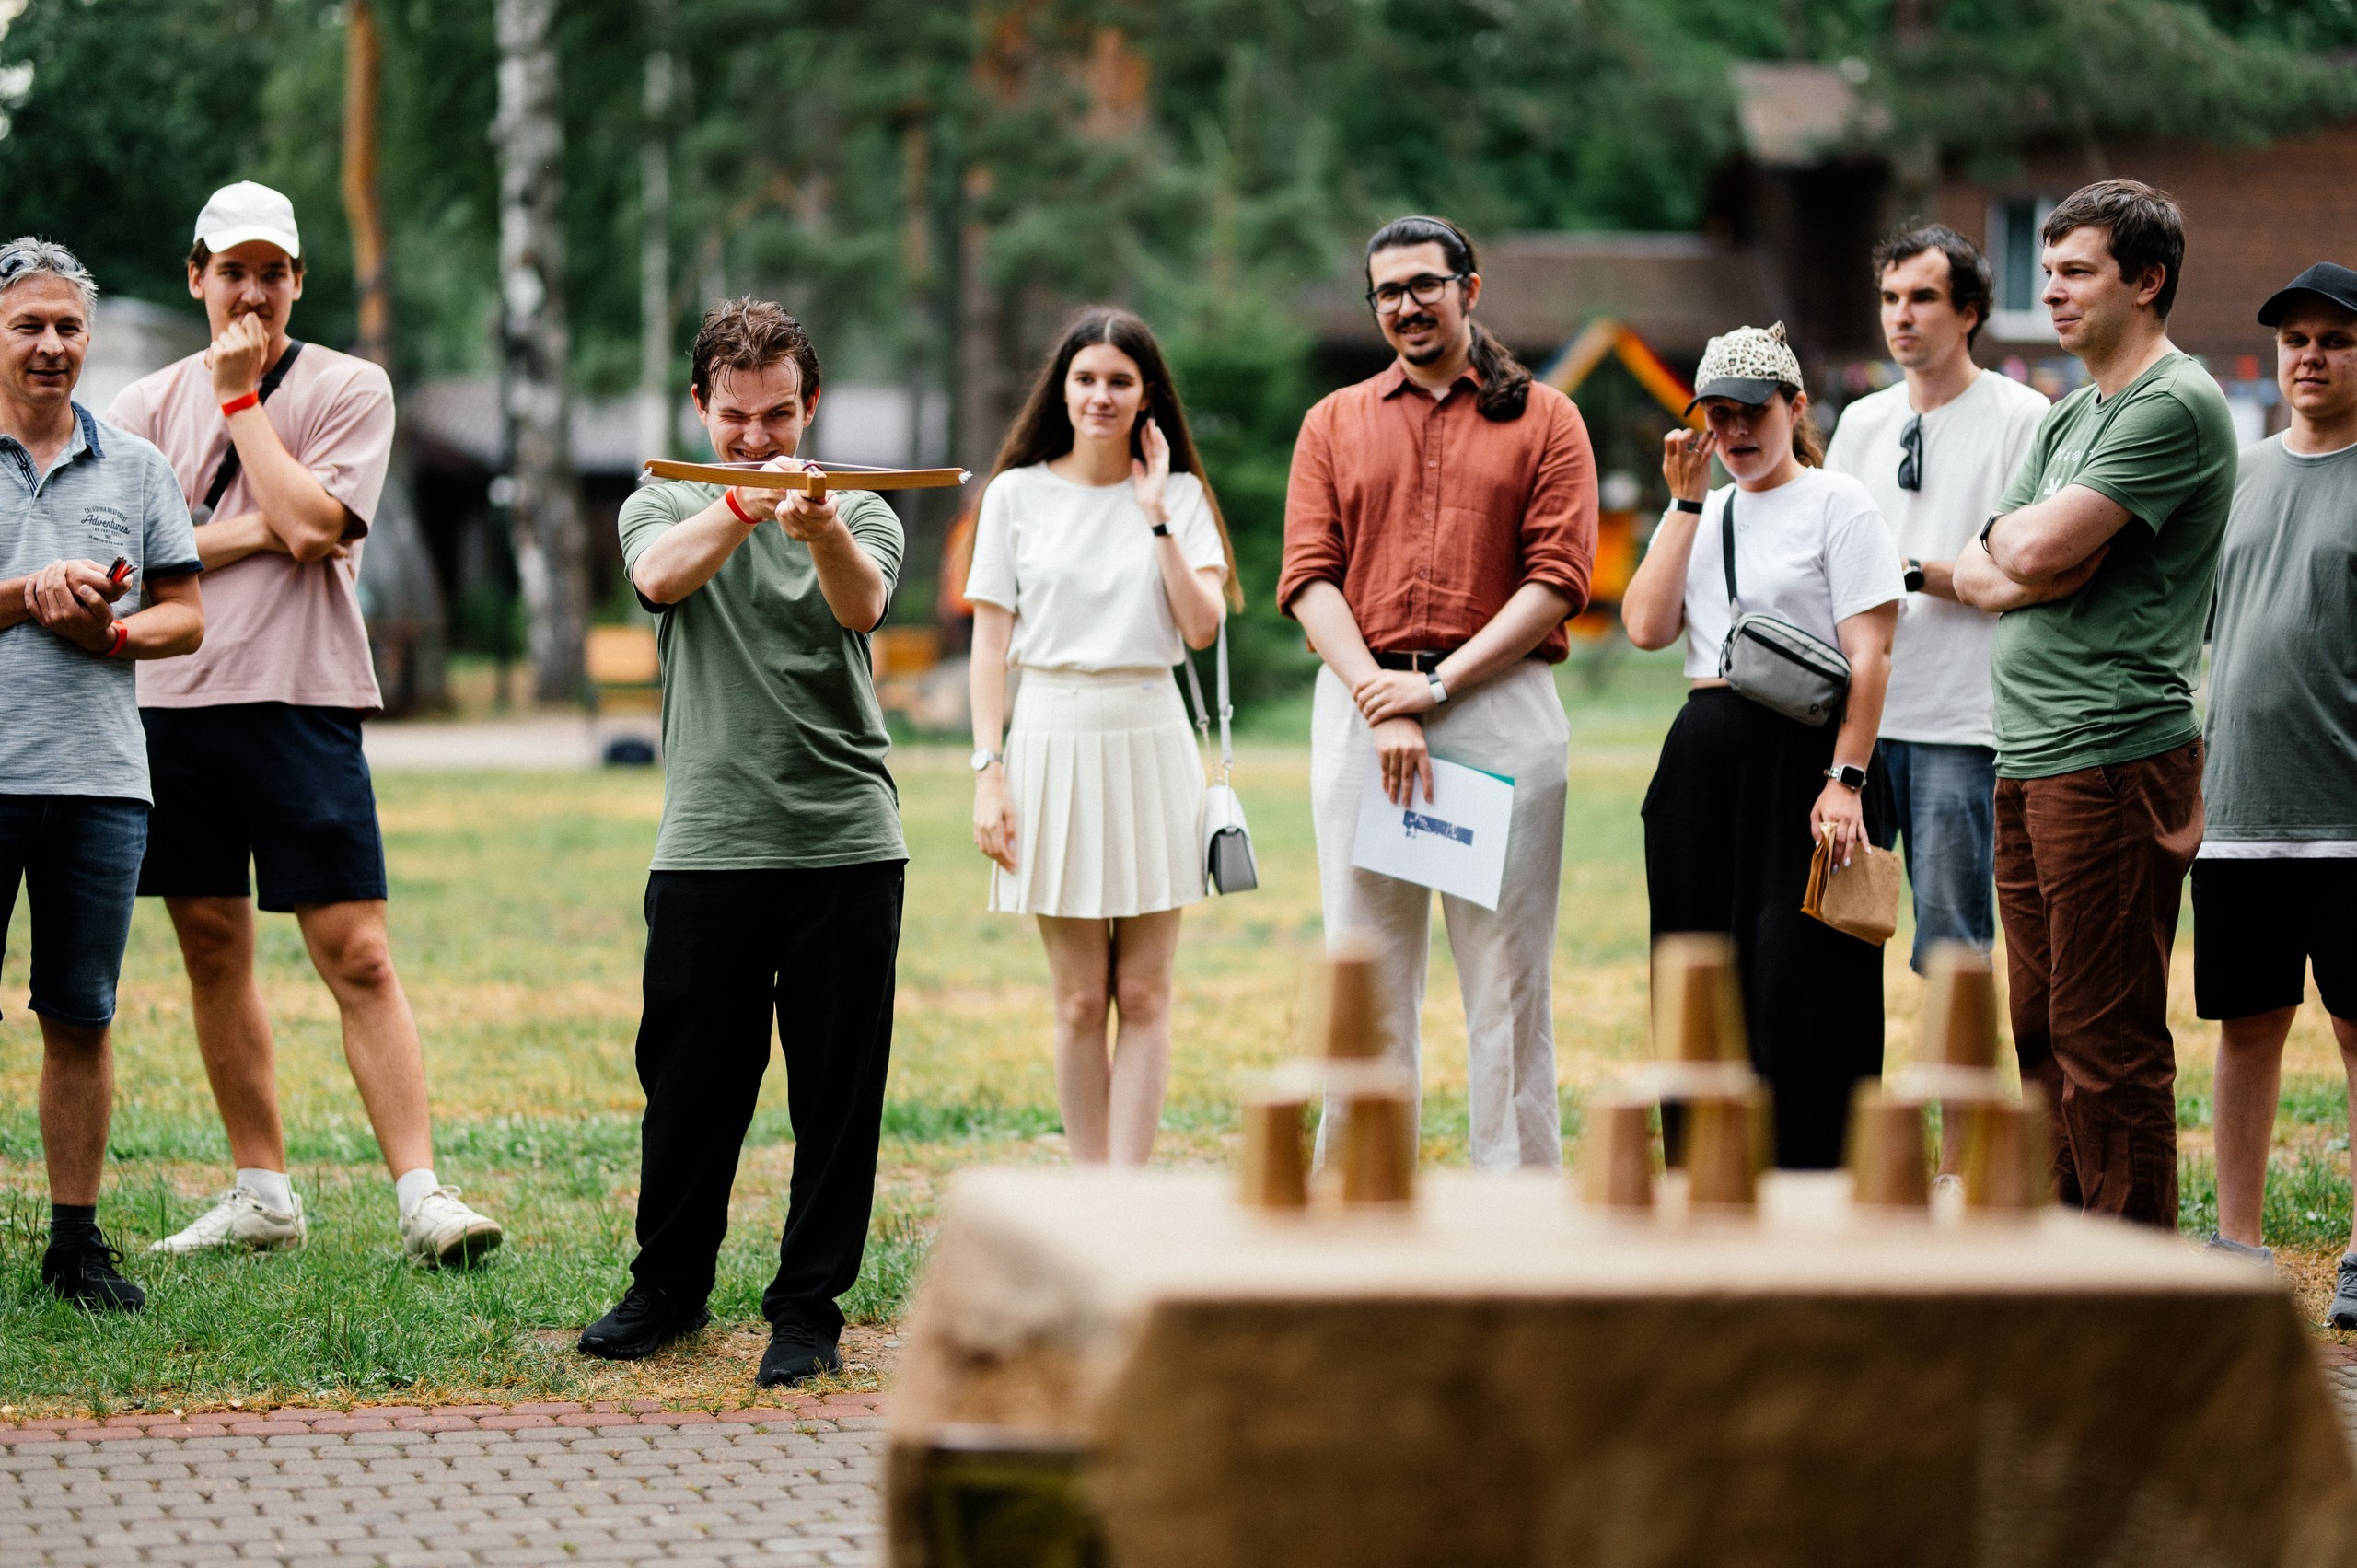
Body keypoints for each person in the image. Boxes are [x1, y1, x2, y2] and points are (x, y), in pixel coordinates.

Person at [106, 181, 502, 1267]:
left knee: (358, 951)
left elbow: (318, 526)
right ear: (196, 276)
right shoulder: (138, 408)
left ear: (297, 282)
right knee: (212, 945)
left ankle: (423, 1196)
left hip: (302, 693)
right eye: (231, 270)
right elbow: (136, 564)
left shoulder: (346, 386)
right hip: (174, 702)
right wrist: (249, 531)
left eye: (272, 272)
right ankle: (262, 1191)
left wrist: (239, 416)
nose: (253, 291)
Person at [579, 296, 905, 1389]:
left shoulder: (858, 505)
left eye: (777, 415)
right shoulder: (662, 498)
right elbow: (660, 578)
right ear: (700, 408)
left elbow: (862, 609)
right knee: (689, 1086)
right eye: (736, 416)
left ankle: (807, 1308)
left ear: (810, 406)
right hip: (709, 843)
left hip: (846, 842)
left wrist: (815, 530)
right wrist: (738, 499)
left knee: (835, 1095)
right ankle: (667, 1288)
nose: (758, 436)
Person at [1279, 215, 1598, 1171]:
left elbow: (1556, 578)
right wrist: (1382, 694)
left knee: (1506, 979)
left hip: (1497, 709)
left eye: (1424, 283)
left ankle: (1513, 1208)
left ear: (1469, 285)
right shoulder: (1333, 421)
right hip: (1360, 702)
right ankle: (1366, 1199)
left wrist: (1437, 686)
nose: (1406, 305)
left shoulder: (1547, 418)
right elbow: (1307, 573)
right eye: (1387, 291)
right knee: (1364, 973)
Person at [1954, 180, 2235, 1226]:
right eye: (2048, 272)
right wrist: (2024, 552)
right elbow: (2007, 571)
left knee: (2104, 1040)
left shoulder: (2173, 402)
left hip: (2112, 755)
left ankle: (2131, 1288)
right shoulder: (2074, 410)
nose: (2053, 294)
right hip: (2027, 753)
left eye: (2075, 272)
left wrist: (2021, 549)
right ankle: (2062, 1258)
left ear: (2146, 279)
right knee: (2037, 1030)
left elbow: (2024, 547)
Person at [1621, 323, 1902, 1169]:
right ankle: (1705, 1168)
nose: (1736, 431)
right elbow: (1644, 626)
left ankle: (1815, 1170)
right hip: (1704, 765)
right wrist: (1682, 502)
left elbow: (1873, 654)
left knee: (1805, 979)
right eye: (1718, 414)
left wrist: (1845, 778)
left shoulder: (1837, 501)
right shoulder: (1704, 509)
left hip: (1811, 762)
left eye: (1752, 412)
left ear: (1795, 407)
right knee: (1696, 964)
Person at [965, 308, 1239, 1166]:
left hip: (1150, 731)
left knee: (1147, 990)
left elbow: (1200, 628)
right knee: (1082, 998)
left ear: (1147, 393)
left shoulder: (1183, 498)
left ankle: (1129, 1189)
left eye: (1120, 380)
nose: (1101, 395)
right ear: (1063, 387)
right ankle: (1092, 1191)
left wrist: (1155, 514)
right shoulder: (1015, 495)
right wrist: (988, 770)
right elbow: (990, 644)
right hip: (1050, 732)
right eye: (1086, 378)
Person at [0, 237, 206, 1309]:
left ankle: (74, 1246)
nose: (50, 345)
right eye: (29, 324)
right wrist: (29, 590)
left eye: (67, 326)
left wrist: (112, 634)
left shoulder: (136, 465)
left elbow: (186, 614)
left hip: (97, 781)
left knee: (80, 1015)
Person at [2195, 261, 2357, 1308]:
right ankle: (2237, 1247)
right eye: (2293, 339)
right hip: (2240, 813)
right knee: (2245, 1027)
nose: (2308, 356)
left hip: (2349, 820)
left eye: (2332, 340)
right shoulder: (2242, 475)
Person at [1827, 227, 2048, 977]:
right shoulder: (1861, 421)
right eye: (1890, 298)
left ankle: (1965, 1101)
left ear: (1972, 312)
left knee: (1953, 951)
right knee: (1840, 936)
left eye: (1923, 297)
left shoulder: (2022, 417)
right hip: (1857, 723)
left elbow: (2025, 573)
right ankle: (1851, 1100)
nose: (1902, 315)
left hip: (1962, 725)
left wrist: (1910, 571)